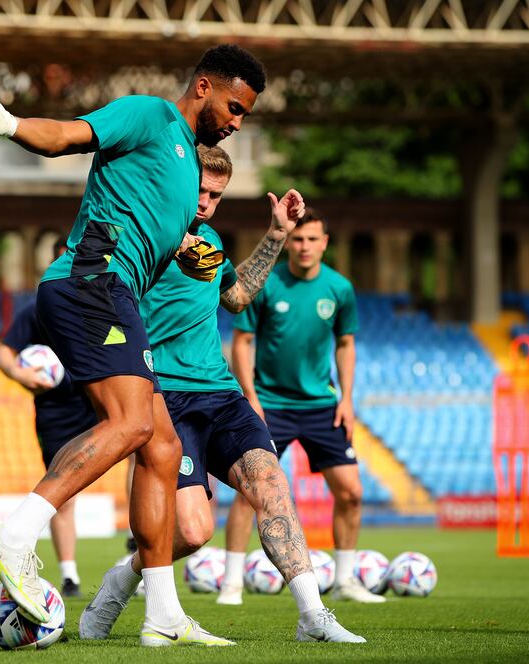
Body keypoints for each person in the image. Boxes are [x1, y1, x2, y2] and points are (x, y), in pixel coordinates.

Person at [0, 44, 265, 646]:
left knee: (160, 446)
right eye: (234, 106)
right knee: (131, 425)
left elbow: (163, 235)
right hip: (89, 283)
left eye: (245, 116)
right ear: (203, 86)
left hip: (117, 296)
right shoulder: (149, 115)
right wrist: (11, 123)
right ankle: (14, 536)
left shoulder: (185, 170)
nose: (236, 121)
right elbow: (68, 137)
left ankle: (163, 617)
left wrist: (187, 248)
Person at [78, 146, 365, 644]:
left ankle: (313, 615)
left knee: (271, 486)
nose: (207, 202)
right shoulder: (143, 235)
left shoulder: (208, 239)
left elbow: (235, 296)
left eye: (217, 194)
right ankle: (119, 583)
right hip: (162, 396)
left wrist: (276, 234)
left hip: (221, 393)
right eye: (201, 191)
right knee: (192, 533)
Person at [224, 209, 384, 604]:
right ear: (288, 242)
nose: (304, 246)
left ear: (325, 243)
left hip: (321, 405)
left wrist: (346, 399)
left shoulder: (339, 289)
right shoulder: (268, 284)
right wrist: (251, 397)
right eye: (297, 239)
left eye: (312, 239)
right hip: (270, 405)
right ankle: (231, 582)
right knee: (252, 492)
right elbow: (242, 341)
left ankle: (346, 580)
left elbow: (346, 344)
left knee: (351, 492)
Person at [0, 238, 99, 599]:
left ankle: (138, 557)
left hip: (97, 400)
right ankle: (69, 574)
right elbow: (3, 353)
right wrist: (22, 376)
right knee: (64, 492)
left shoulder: (98, 302)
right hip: (56, 410)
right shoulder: (37, 310)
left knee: (141, 454)